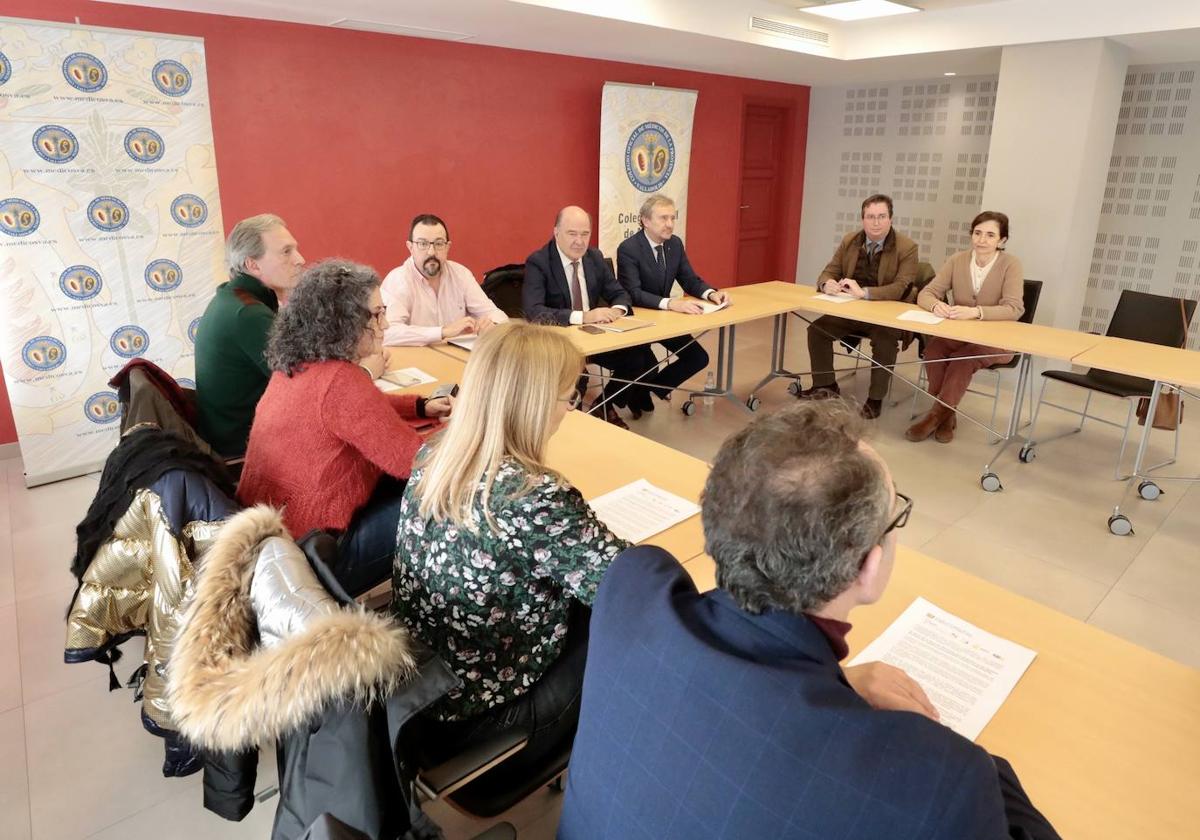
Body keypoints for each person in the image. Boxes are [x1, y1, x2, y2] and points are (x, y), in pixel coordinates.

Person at [559, 401, 1060, 840]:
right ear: (868, 567)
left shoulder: (632, 588)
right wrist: (979, 770)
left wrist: (835, 684)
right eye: (895, 517)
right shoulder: (942, 780)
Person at [393, 321, 628, 813]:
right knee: (637, 627)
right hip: (486, 719)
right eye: (569, 395)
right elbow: (628, 584)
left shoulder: (434, 454)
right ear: (533, 402)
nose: (574, 406)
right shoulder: (531, 495)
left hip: (420, 698)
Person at [237, 259, 452, 597]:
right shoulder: (341, 381)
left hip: (270, 545)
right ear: (344, 322)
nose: (385, 324)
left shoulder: (295, 366)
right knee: (446, 495)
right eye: (377, 314)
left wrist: (418, 406)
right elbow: (413, 462)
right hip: (314, 560)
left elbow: (354, 411)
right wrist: (471, 435)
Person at [523, 205, 653, 428]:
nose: (579, 241)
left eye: (585, 234)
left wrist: (616, 311)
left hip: (595, 337)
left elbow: (620, 293)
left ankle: (604, 405)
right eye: (572, 234)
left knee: (640, 358)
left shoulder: (593, 257)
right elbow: (533, 311)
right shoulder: (539, 262)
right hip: (561, 340)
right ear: (556, 233)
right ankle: (572, 424)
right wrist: (584, 316)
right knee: (577, 381)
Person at [908, 211, 1025, 443]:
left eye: (990, 235)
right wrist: (935, 307)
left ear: (1002, 240)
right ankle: (947, 414)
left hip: (998, 341)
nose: (982, 240)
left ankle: (934, 416)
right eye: (977, 233)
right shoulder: (957, 260)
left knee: (964, 358)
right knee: (933, 351)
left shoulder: (1010, 264)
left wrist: (977, 312)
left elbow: (1015, 308)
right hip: (960, 333)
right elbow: (927, 293)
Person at [195, 213, 304, 456]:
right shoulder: (248, 314)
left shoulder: (232, 298)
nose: (300, 259)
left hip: (231, 434)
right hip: (245, 452)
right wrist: (366, 370)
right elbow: (309, 389)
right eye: (286, 252)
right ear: (252, 265)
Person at [803, 194, 918, 419]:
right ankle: (826, 386)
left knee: (885, 342)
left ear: (891, 219)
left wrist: (865, 293)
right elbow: (829, 270)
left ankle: (875, 398)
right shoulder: (850, 240)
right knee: (816, 331)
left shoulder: (907, 247)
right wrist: (827, 284)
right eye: (870, 217)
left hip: (885, 314)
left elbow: (902, 287)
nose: (876, 222)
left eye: (881, 217)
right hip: (851, 311)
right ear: (863, 219)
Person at [616, 194, 729, 410]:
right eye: (663, 218)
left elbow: (689, 279)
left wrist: (711, 294)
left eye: (672, 218)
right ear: (645, 221)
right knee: (643, 363)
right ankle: (628, 395)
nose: (669, 224)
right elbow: (633, 293)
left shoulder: (674, 244)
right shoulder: (629, 248)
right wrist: (670, 303)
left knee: (697, 357)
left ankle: (645, 389)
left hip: (664, 319)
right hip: (638, 320)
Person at [380, 213, 508, 346]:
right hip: (415, 361)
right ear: (410, 247)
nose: (431, 252)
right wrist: (442, 331)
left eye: (439, 244)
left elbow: (496, 314)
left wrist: (492, 325)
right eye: (423, 244)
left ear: (447, 247)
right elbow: (386, 333)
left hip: (455, 357)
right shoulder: (398, 280)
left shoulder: (461, 275)